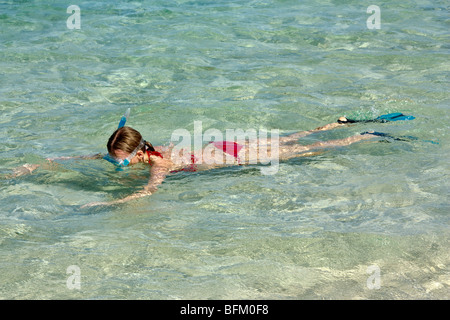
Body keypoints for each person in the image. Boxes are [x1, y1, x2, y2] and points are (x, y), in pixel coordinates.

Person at [9, 115, 395, 207]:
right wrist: (37, 165)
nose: (117, 165)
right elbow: (80, 157)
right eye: (115, 160)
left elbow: (147, 194)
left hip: (236, 155)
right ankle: (338, 121)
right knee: (294, 137)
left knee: (307, 150)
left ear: (139, 152)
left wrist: (108, 204)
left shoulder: (158, 165)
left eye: (121, 161)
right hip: (223, 146)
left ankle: (360, 135)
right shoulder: (139, 155)